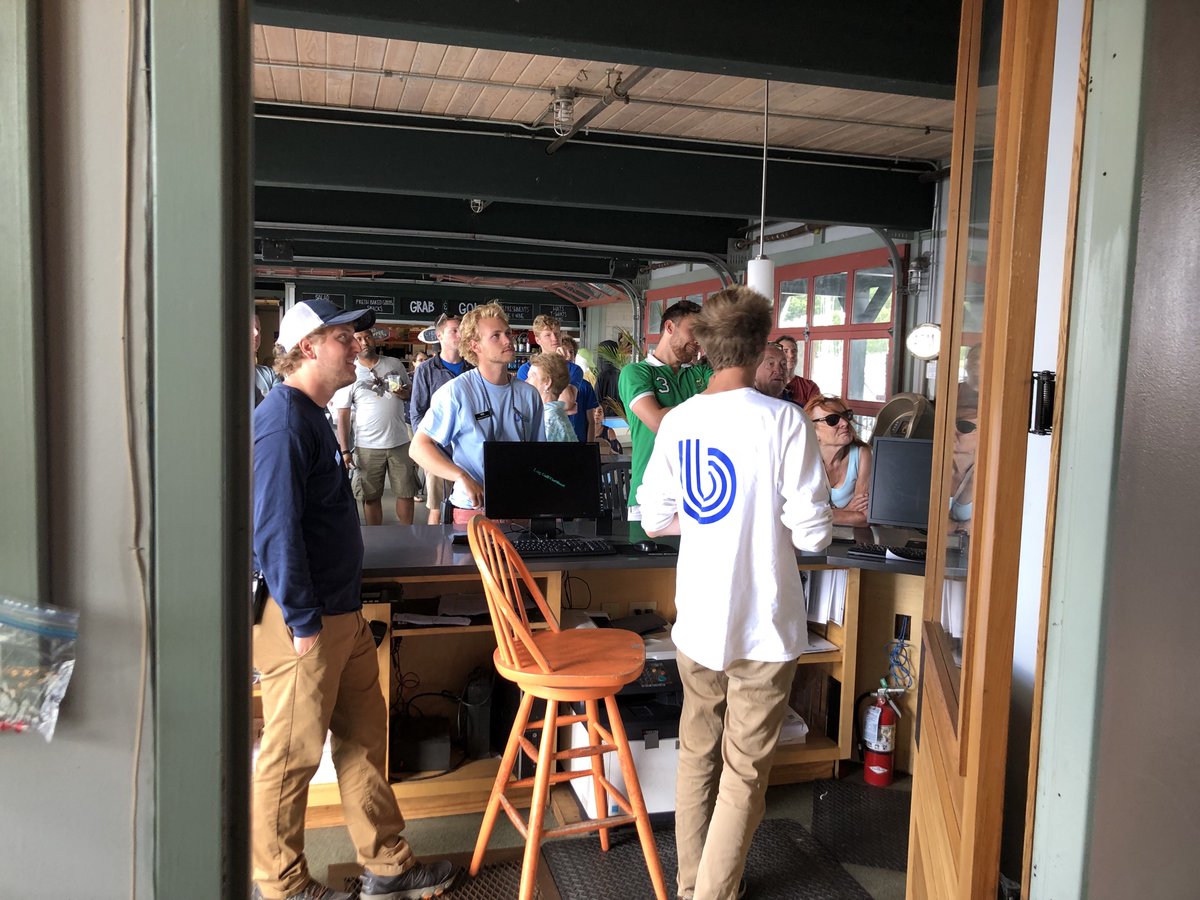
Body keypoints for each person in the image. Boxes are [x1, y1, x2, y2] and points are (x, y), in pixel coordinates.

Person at [251, 298, 456, 900]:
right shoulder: (283, 421)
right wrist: (303, 619)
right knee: (290, 760)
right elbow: (273, 530)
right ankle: (281, 885)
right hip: (304, 623)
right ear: (309, 347)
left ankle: (388, 867)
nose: (358, 347)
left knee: (365, 741)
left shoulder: (310, 415)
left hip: (341, 614)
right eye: (345, 337)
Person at [636, 286, 833, 900]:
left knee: (698, 753)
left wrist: (711, 522)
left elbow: (653, 518)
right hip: (764, 623)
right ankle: (713, 894)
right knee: (744, 769)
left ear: (706, 345)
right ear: (760, 344)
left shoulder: (682, 419)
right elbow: (815, 533)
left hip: (697, 620)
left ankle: (692, 882)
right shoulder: (784, 422)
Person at [409, 302, 545, 525]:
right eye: (496, 335)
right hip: (473, 511)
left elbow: (539, 454)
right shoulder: (456, 392)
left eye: (508, 333)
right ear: (475, 346)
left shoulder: (529, 395)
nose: (507, 340)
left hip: (519, 507)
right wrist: (460, 476)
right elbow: (418, 447)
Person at [618, 300, 710, 520]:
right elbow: (658, 422)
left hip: (701, 495)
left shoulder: (701, 372)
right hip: (649, 497)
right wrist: (708, 408)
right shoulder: (636, 372)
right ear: (670, 327)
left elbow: (731, 400)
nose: (699, 339)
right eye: (694, 330)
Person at [333, 330, 418, 525]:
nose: (364, 342)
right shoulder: (348, 370)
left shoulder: (394, 364)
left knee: (406, 492)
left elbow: (409, 393)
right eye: (359, 338)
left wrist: (404, 394)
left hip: (400, 441)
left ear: (375, 339)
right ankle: (376, 536)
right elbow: (343, 414)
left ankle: (407, 536)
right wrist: (345, 450)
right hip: (367, 446)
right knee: (370, 496)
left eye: (368, 337)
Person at [409, 314, 473, 526]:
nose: (459, 334)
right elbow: (417, 412)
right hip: (439, 453)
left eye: (461, 330)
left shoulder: (472, 370)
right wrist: (429, 447)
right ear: (439, 336)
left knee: (469, 507)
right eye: (454, 330)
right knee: (437, 508)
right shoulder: (426, 370)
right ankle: (435, 552)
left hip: (469, 454)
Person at [516, 314, 598, 443]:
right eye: (548, 335)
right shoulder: (527, 370)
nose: (554, 338)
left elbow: (567, 402)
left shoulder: (573, 369)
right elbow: (525, 406)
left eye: (557, 333)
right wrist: (561, 408)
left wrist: (560, 364)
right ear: (538, 340)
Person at [804, 395, 872, 527]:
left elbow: (864, 517)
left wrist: (820, 515)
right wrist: (846, 511)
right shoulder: (803, 459)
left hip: (847, 541)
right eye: (833, 420)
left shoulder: (862, 454)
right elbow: (799, 514)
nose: (845, 423)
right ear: (813, 430)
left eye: (846, 415)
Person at [526, 352, 577, 442]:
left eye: (531, 377)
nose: (526, 381)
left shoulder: (548, 422)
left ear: (547, 383)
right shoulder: (556, 416)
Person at [776, 335, 821, 406]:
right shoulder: (766, 385)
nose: (791, 355)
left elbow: (815, 414)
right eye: (785, 351)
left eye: (794, 351)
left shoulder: (810, 387)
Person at [253, 313, 282, 406]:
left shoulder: (270, 375)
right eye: (249, 328)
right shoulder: (222, 375)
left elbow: (279, 408)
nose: (256, 333)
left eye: (258, 329)